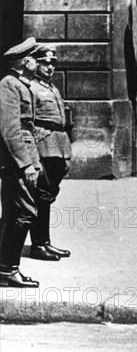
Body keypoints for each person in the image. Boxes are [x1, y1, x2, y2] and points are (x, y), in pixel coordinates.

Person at [0, 37, 41, 288]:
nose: (37, 63)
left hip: (26, 156)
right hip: (15, 161)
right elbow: (10, 128)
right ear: (26, 61)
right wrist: (25, 164)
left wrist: (33, 162)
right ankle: (7, 269)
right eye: (35, 58)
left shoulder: (21, 84)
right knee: (23, 212)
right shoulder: (9, 84)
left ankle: (6, 267)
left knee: (16, 212)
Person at [28, 45, 73, 261]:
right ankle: (39, 244)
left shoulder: (53, 88)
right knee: (41, 196)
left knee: (48, 195)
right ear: (35, 64)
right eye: (44, 63)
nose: (49, 67)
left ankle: (45, 242)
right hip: (42, 145)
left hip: (58, 146)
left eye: (52, 63)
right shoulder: (31, 88)